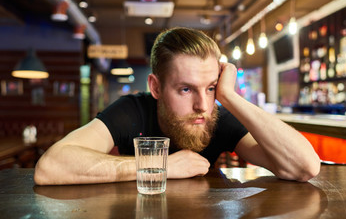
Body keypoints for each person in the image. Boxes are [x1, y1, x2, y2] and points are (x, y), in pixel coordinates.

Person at [34, 27, 320, 185]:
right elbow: (50, 167)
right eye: (186, 89)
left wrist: (230, 97)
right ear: (155, 87)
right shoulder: (132, 111)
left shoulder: (214, 115)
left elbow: (305, 167)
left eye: (210, 88)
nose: (202, 106)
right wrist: (160, 166)